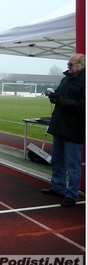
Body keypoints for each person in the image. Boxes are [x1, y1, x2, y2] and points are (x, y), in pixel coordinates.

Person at [41, 53, 86, 207]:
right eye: (68, 64)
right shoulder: (66, 78)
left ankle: (72, 194)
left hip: (74, 128)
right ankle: (58, 186)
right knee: (57, 160)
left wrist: (60, 100)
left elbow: (82, 106)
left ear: (82, 65)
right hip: (59, 125)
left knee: (73, 164)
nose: (68, 67)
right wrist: (54, 96)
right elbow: (61, 96)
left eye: (71, 64)